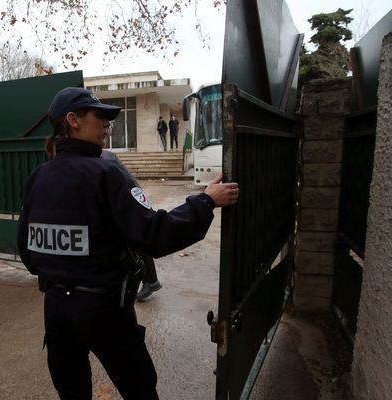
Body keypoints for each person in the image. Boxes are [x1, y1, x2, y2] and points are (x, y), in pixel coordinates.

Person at [17, 87, 239, 400]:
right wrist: (204, 202)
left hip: (55, 308)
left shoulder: (37, 177)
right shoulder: (106, 172)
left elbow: (27, 253)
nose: (108, 124)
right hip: (104, 310)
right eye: (100, 117)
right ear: (73, 120)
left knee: (71, 391)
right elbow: (154, 234)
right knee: (139, 389)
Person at [100, 149, 162, 301]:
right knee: (135, 238)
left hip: (124, 200)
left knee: (136, 239)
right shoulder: (102, 155)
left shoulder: (102, 156)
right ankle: (150, 280)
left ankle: (149, 280)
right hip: (126, 198)